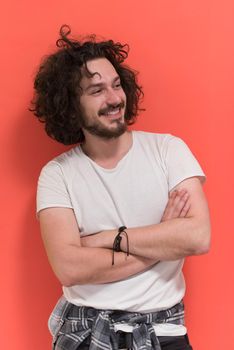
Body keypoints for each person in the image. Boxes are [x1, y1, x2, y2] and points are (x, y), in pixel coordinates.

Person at [31, 25, 210, 350]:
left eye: (116, 85)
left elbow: (197, 237)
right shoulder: (57, 175)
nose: (114, 99)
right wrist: (162, 238)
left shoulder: (168, 151)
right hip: (85, 333)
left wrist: (106, 239)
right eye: (96, 90)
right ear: (71, 105)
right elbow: (69, 268)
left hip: (164, 333)